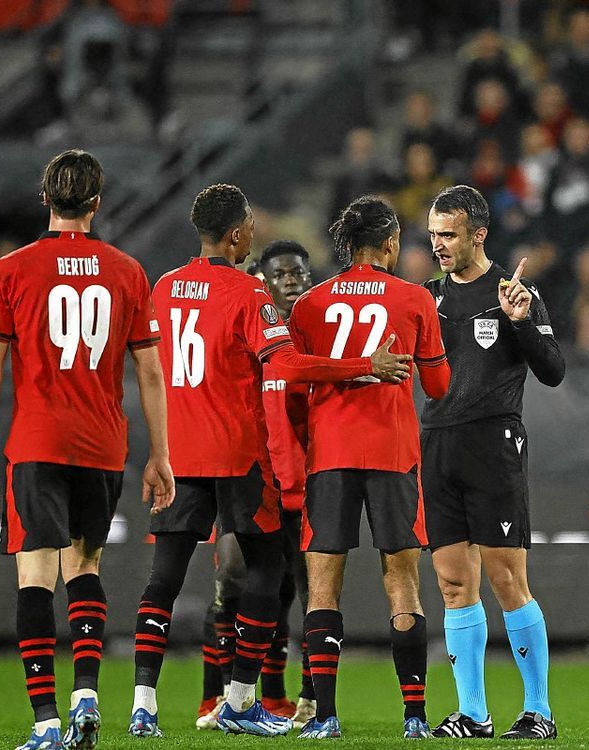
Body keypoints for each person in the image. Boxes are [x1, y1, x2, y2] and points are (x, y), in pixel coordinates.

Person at [127, 185, 412, 739]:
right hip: (236, 457)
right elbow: (290, 365)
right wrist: (364, 365)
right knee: (267, 569)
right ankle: (238, 699)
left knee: (162, 579)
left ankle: (144, 704)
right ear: (235, 233)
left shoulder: (163, 288)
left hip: (179, 455)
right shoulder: (247, 293)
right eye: (251, 224)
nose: (253, 233)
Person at [0, 148, 176, 750]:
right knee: (84, 567)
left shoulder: (11, 270)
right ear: (97, 202)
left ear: (45, 199)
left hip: (36, 442)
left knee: (35, 577)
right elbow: (151, 373)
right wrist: (160, 454)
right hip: (103, 443)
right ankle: (87, 692)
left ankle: (46, 723)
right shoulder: (127, 271)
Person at [287, 195, 450, 739]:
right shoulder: (414, 300)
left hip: (329, 454)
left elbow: (294, 377)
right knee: (403, 583)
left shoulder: (308, 305)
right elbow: (439, 386)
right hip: (392, 451)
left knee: (322, 586)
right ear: (388, 244)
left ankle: (326, 717)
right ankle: (414, 718)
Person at [423, 185, 566, 740]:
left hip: (493, 443)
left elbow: (553, 370)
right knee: (454, 585)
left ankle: (539, 711)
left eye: (448, 235)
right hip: (435, 444)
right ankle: (474, 714)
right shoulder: (426, 297)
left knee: (508, 579)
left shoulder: (515, 292)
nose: (438, 244)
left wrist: (521, 322)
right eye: (433, 234)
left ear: (478, 235)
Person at [193, 241, 319, 731]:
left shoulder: (317, 334)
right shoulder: (245, 328)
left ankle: (298, 700)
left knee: (301, 593)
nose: (291, 280)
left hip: (306, 485)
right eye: (281, 274)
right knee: (231, 581)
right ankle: (215, 696)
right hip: (249, 480)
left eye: (299, 273)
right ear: (262, 282)